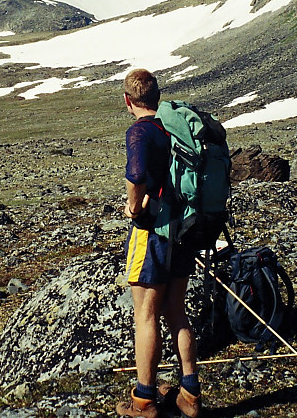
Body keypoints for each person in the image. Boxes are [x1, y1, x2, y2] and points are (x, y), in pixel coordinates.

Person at [116, 68, 202, 418]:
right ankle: (190, 395)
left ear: (128, 101)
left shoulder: (140, 131)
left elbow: (136, 176)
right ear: (157, 96)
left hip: (152, 232)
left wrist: (134, 208)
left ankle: (144, 400)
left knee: (146, 315)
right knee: (176, 312)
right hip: (185, 229)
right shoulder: (174, 127)